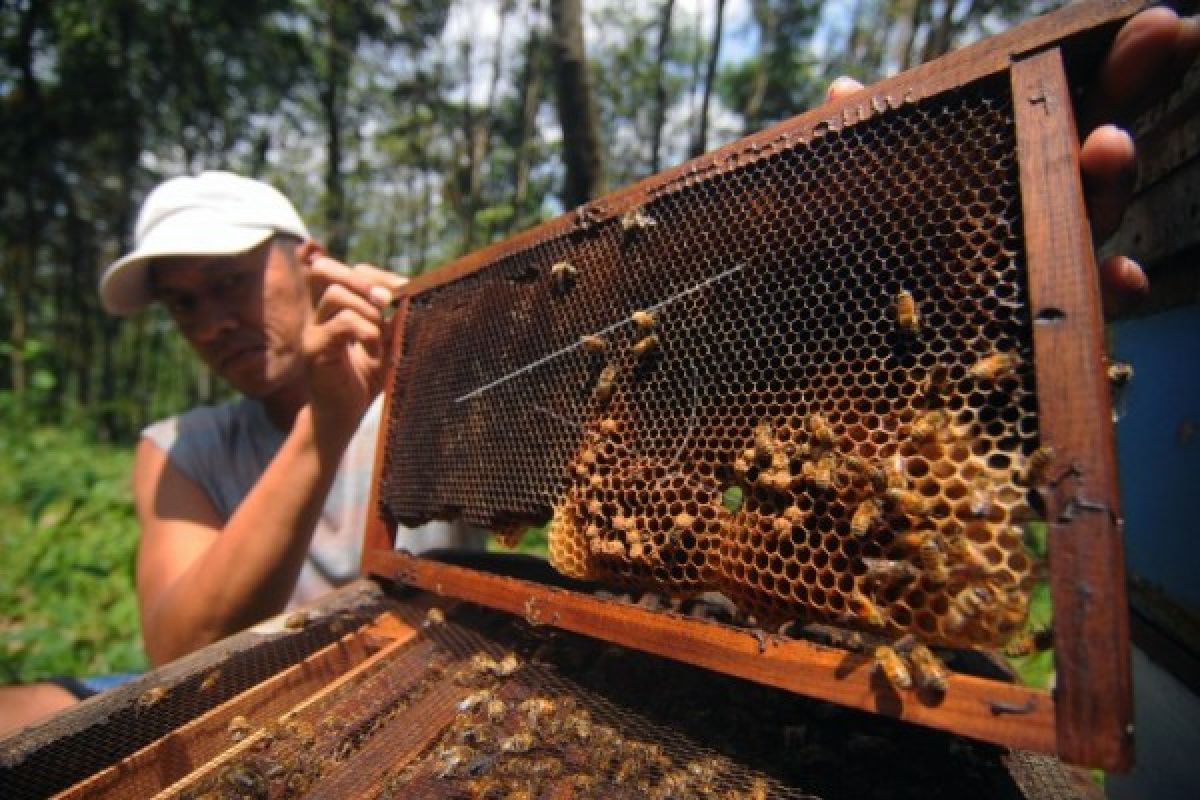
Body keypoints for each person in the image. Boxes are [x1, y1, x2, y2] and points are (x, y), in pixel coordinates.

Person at [0, 6, 1195, 740]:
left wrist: (840, 300)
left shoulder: (457, 357)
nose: (205, 317)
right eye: (179, 302)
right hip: (275, 685)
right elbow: (179, 648)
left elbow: (638, 421)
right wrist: (321, 421)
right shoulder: (183, 445)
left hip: (453, 660)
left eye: (225, 277)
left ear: (306, 258)